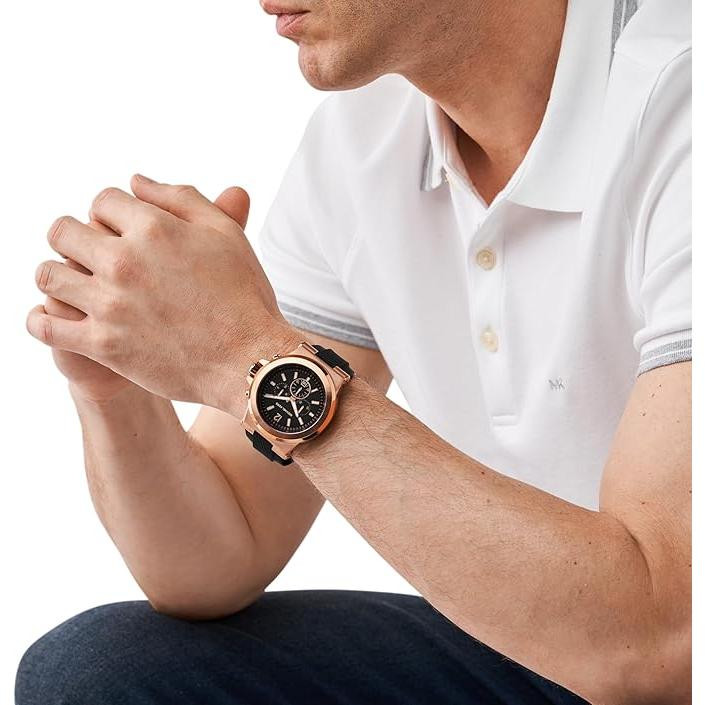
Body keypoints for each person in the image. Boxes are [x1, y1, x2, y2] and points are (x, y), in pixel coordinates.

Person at [18, 0, 691, 702]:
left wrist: (246, 356)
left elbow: (661, 645)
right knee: (101, 671)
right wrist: (115, 388)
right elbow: (220, 555)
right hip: (559, 655)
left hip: (656, 655)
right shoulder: (363, 139)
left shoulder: (679, 98)